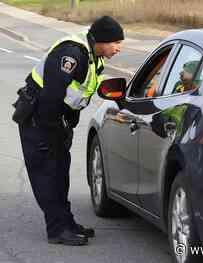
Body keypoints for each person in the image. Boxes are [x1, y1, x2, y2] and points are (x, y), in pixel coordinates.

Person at [14, 15, 124, 246]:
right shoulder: (71, 55)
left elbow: (75, 96)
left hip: (55, 122)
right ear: (102, 40)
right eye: (115, 42)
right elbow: (52, 95)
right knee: (48, 176)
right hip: (40, 121)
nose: (118, 48)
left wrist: (66, 127)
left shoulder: (93, 56)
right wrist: (49, 132)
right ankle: (57, 230)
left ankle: (66, 223)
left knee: (60, 174)